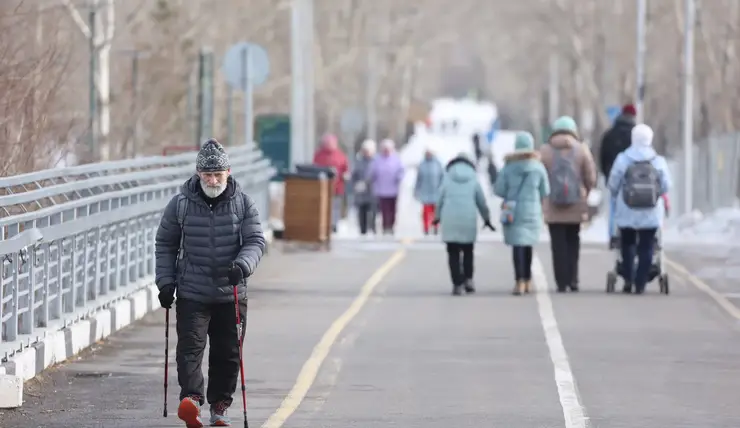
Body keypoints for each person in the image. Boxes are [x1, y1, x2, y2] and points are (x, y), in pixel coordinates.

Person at [155, 138, 266, 427]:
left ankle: (220, 407)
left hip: (231, 292)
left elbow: (255, 241)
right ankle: (191, 400)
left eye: (218, 174)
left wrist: (242, 266)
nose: (213, 180)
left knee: (228, 353)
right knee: (190, 349)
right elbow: (165, 244)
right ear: (198, 174)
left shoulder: (243, 203)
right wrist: (165, 282)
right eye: (207, 175)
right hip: (193, 290)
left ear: (228, 173)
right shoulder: (180, 204)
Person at [607, 124, 671, 294]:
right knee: (647, 244)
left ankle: (629, 278)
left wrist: (616, 195)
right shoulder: (658, 161)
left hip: (626, 208)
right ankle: (640, 282)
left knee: (627, 242)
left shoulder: (623, 159)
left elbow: (613, 183)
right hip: (650, 211)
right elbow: (666, 186)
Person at [539, 116, 597, 292]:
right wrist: (585, 190)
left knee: (558, 246)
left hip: (553, 204)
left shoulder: (545, 151)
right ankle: (573, 280)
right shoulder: (581, 150)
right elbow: (591, 177)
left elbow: (539, 177)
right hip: (576, 204)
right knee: (573, 242)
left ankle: (561, 282)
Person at [494, 132, 549, 295]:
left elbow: (499, 189)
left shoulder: (508, 167)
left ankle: (519, 281)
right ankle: (528, 280)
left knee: (517, 245)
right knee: (527, 245)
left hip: (513, 210)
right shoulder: (538, 167)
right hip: (531, 210)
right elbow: (545, 190)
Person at [433, 152, 494, 295]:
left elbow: (439, 200)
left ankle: (457, 284)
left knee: (453, 252)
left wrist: (436, 217)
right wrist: (486, 218)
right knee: (468, 251)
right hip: (468, 219)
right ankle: (468, 279)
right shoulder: (473, 179)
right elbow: (481, 202)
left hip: (450, 220)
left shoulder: (447, 179)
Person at [600, 104, 637, 245]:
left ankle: (614, 235)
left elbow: (602, 157)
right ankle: (631, 232)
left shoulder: (609, 135)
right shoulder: (635, 135)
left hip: (613, 176)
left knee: (614, 206)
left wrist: (606, 174)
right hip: (632, 178)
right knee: (631, 206)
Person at [313, 133, 349, 233]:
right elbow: (314, 167)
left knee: (335, 206)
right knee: (323, 206)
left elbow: (345, 168)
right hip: (322, 187)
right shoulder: (319, 155)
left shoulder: (340, 155)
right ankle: (323, 224)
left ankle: (333, 224)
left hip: (337, 186)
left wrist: (345, 175)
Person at [367, 139, 404, 234]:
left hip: (393, 190)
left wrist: (399, 177)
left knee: (392, 209)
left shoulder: (396, 159)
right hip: (381, 190)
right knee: (384, 210)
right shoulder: (377, 160)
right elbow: (372, 172)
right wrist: (371, 179)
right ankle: (385, 226)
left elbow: (401, 171)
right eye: (385, 149)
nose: (386, 151)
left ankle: (391, 225)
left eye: (388, 149)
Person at [414, 148, 444, 235]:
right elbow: (418, 179)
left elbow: (442, 178)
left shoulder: (438, 164)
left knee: (436, 212)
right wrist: (416, 191)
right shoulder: (422, 165)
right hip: (425, 192)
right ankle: (426, 228)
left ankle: (435, 227)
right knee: (426, 213)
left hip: (436, 192)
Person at [351, 139, 377, 236]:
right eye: (365, 150)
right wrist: (356, 184)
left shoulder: (376, 161)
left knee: (372, 212)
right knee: (362, 212)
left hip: (373, 191)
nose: (366, 153)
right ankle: (363, 230)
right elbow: (354, 174)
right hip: (361, 192)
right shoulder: (359, 161)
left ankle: (373, 229)